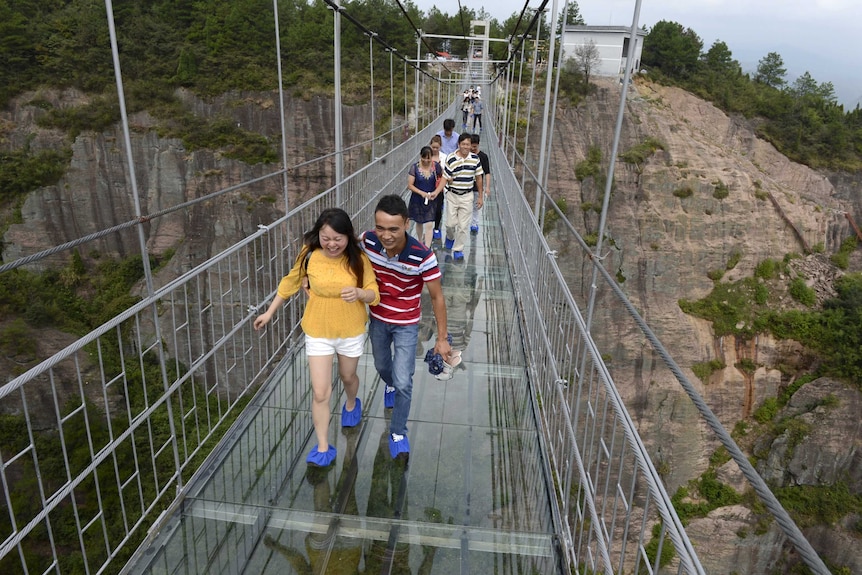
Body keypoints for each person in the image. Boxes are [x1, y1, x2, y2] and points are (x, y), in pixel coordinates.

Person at [254, 208, 380, 467]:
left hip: (350, 328)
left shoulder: (359, 258)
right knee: (321, 392)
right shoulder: (309, 254)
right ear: (318, 235)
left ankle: (351, 402)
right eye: (326, 238)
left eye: (338, 238)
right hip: (318, 329)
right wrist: (269, 312)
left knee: (348, 377)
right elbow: (291, 281)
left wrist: (359, 294)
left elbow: (373, 292)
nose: (332, 244)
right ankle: (323, 446)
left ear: (348, 236)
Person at [360, 195, 452, 458]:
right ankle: (391, 384)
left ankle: (398, 430)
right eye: (380, 228)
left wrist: (442, 338)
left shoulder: (422, 256)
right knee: (381, 366)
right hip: (378, 318)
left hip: (406, 324)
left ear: (407, 224)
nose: (385, 236)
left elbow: (437, 297)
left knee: (404, 381)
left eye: (393, 229)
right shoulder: (368, 241)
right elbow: (340, 245)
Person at [443, 133, 484, 261]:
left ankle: (458, 249)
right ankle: (450, 237)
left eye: (468, 144)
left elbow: (479, 178)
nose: (466, 146)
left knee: (463, 226)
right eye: (464, 144)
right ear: (459, 144)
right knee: (450, 224)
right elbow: (445, 177)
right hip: (452, 195)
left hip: (467, 196)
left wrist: (481, 196)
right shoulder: (450, 158)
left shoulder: (475, 159)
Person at [407, 146, 445, 247]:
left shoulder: (436, 167)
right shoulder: (414, 167)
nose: (426, 160)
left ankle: (427, 247)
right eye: (424, 158)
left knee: (429, 223)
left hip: (431, 199)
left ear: (432, 157)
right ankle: (420, 241)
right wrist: (421, 193)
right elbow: (410, 185)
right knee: (419, 222)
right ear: (421, 156)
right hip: (417, 199)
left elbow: (443, 179)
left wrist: (436, 192)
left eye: (429, 158)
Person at [469, 133, 491, 234]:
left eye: (474, 146)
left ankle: (474, 224)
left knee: (476, 206)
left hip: (478, 186)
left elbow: (487, 172)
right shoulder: (466, 155)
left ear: (478, 145)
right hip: (466, 186)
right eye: (471, 146)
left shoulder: (483, 157)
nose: (472, 148)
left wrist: (487, 187)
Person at [429, 135, 448, 241]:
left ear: (440, 146)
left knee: (438, 208)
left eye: (437, 147)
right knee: (428, 208)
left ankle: (436, 228)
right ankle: (428, 228)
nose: (434, 149)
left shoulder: (444, 157)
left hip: (439, 186)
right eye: (433, 147)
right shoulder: (426, 156)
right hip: (427, 185)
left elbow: (446, 172)